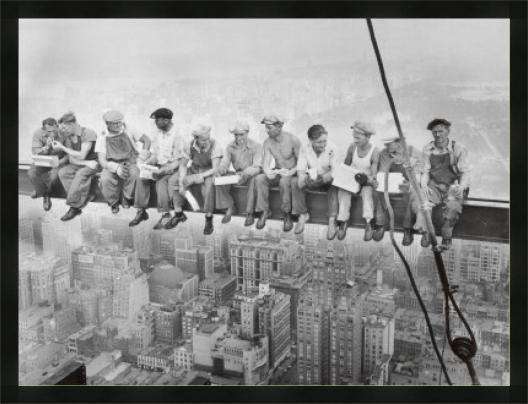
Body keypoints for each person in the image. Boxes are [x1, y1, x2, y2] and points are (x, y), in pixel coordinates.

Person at [129, 108, 187, 230]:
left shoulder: (178, 135)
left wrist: (165, 170)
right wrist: (147, 163)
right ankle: (141, 211)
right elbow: (156, 155)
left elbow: (180, 160)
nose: (155, 123)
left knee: (160, 183)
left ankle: (165, 214)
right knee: (142, 178)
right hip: (159, 166)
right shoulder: (158, 133)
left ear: (166, 120)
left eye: (157, 120)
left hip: (173, 168)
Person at [419, 118, 471, 249]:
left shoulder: (458, 148)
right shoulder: (428, 149)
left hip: (453, 185)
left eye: (441, 131)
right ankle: (427, 233)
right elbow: (425, 171)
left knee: (453, 206)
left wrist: (462, 186)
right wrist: (424, 185)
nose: (438, 135)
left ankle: (446, 236)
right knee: (423, 202)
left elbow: (465, 172)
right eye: (434, 132)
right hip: (435, 185)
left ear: (448, 131)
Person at [95, 110, 151, 214]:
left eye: (119, 122)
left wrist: (143, 156)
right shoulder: (102, 136)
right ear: (107, 124)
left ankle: (126, 197)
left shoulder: (129, 129)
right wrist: (116, 168)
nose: (118, 125)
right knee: (105, 179)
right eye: (115, 123)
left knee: (134, 174)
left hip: (130, 161)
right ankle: (113, 202)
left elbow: (147, 140)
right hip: (111, 164)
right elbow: (102, 161)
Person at [372, 136, 425, 245]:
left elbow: (418, 176)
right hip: (391, 184)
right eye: (385, 144)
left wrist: (409, 184)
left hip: (409, 184)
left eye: (389, 143)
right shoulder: (384, 153)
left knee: (411, 193)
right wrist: (379, 181)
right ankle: (381, 223)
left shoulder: (414, 152)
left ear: (399, 142)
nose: (386, 146)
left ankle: (407, 228)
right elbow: (382, 172)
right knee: (379, 190)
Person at [254, 115, 301, 232]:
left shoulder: (293, 140)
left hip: (293, 173)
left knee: (284, 181)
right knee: (260, 178)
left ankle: (287, 214)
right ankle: (264, 211)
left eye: (269, 128)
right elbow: (266, 162)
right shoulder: (267, 142)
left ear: (279, 127)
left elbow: (302, 163)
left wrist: (291, 171)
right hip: (279, 171)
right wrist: (268, 171)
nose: (267, 131)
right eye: (266, 128)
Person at [336, 121, 380, 241]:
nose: (355, 140)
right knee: (343, 191)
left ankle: (369, 222)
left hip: (366, 182)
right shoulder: (352, 147)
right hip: (353, 179)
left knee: (367, 194)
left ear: (368, 137)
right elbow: (346, 164)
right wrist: (341, 176)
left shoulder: (374, 151)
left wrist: (371, 180)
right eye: (354, 137)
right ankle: (343, 221)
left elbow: (374, 172)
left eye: (358, 138)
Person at [53, 112, 100, 221]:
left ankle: (74, 207)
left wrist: (62, 148)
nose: (63, 130)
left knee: (81, 173)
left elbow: (82, 154)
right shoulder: (68, 137)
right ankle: (87, 196)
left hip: (95, 162)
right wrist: (85, 163)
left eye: (64, 127)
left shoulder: (88, 133)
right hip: (84, 163)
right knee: (63, 172)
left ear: (73, 123)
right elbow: (72, 158)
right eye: (62, 128)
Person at [294, 124, 339, 237]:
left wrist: (323, 178)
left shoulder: (333, 148)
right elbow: (301, 169)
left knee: (334, 186)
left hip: (327, 178)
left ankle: (332, 220)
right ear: (310, 140)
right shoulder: (305, 148)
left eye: (324, 141)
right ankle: (303, 214)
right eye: (319, 142)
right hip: (313, 177)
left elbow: (335, 171)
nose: (323, 145)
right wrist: (303, 178)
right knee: (296, 183)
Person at [215, 120, 262, 226]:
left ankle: (250, 213)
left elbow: (257, 167)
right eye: (236, 135)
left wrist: (247, 173)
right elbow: (225, 163)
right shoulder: (230, 147)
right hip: (238, 174)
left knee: (254, 179)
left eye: (241, 135)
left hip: (251, 174)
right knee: (219, 179)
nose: (238, 138)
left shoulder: (256, 146)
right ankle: (230, 206)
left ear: (247, 133)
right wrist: (220, 170)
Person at [180, 124, 223, 235]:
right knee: (180, 184)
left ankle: (208, 217)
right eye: (203, 140)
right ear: (196, 138)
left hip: (208, 171)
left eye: (208, 139)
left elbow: (215, 168)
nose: (206, 142)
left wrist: (200, 177)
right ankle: (182, 212)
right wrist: (183, 181)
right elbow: (183, 165)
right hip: (195, 169)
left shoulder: (215, 145)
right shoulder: (189, 145)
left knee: (208, 187)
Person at [27, 118, 68, 211]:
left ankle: (44, 194)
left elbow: (69, 155)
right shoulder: (38, 133)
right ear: (44, 129)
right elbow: (36, 152)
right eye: (49, 131)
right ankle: (43, 192)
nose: (52, 133)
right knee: (31, 173)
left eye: (54, 130)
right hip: (44, 159)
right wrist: (46, 147)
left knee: (53, 178)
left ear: (57, 126)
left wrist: (59, 163)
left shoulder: (65, 134)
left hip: (59, 160)